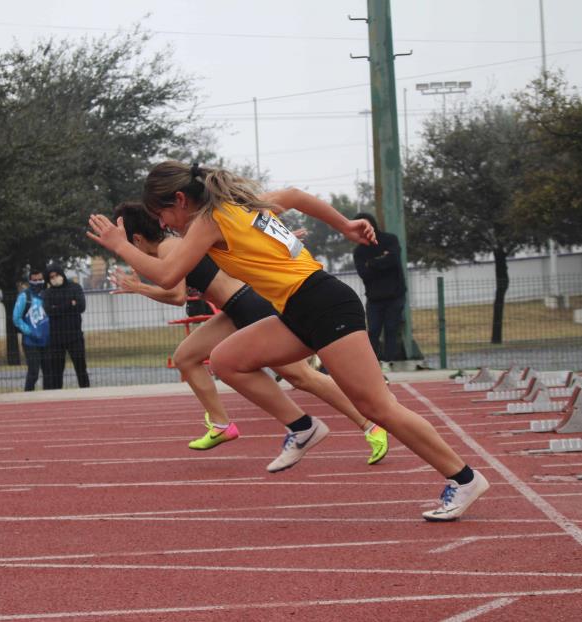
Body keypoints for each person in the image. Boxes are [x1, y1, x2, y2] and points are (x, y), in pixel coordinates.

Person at [87, 161, 490, 522]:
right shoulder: (242, 204)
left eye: (164, 215)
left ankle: (465, 478)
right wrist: (345, 226)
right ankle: (303, 426)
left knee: (378, 406)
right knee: (227, 359)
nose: (167, 225)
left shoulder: (210, 220)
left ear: (180, 199)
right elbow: (295, 196)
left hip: (323, 303)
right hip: (297, 309)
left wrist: (121, 246)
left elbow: (170, 274)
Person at [109, 202, 388, 465]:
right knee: (186, 357)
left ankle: (371, 424)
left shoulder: (169, 248)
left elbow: (177, 295)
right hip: (235, 308)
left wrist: (139, 288)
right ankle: (221, 425)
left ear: (136, 240)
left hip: (249, 304)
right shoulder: (175, 244)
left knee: (301, 376)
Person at [353, 212, 407, 368]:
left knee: (391, 328)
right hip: (374, 298)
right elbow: (364, 273)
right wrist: (382, 260)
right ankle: (371, 364)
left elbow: (394, 259)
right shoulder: (359, 251)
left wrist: (372, 263)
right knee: (373, 331)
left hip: (395, 294)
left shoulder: (390, 239)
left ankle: (389, 361)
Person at [43, 263, 90, 389]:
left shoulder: (75, 287)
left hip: (75, 337)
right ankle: (57, 397)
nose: (54, 278)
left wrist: (58, 307)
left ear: (61, 274)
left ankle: (86, 393)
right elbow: (49, 311)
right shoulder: (47, 293)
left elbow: (81, 306)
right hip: (56, 339)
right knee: (56, 372)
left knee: (81, 369)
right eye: (51, 277)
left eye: (56, 275)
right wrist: (70, 304)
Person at [13, 269, 52, 391]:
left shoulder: (47, 294)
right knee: (33, 373)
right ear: (29, 281)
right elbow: (16, 318)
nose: (37, 282)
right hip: (30, 342)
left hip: (47, 341)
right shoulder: (24, 296)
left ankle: (49, 398)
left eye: (40, 279)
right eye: (34, 280)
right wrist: (29, 331)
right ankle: (28, 397)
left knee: (49, 374)